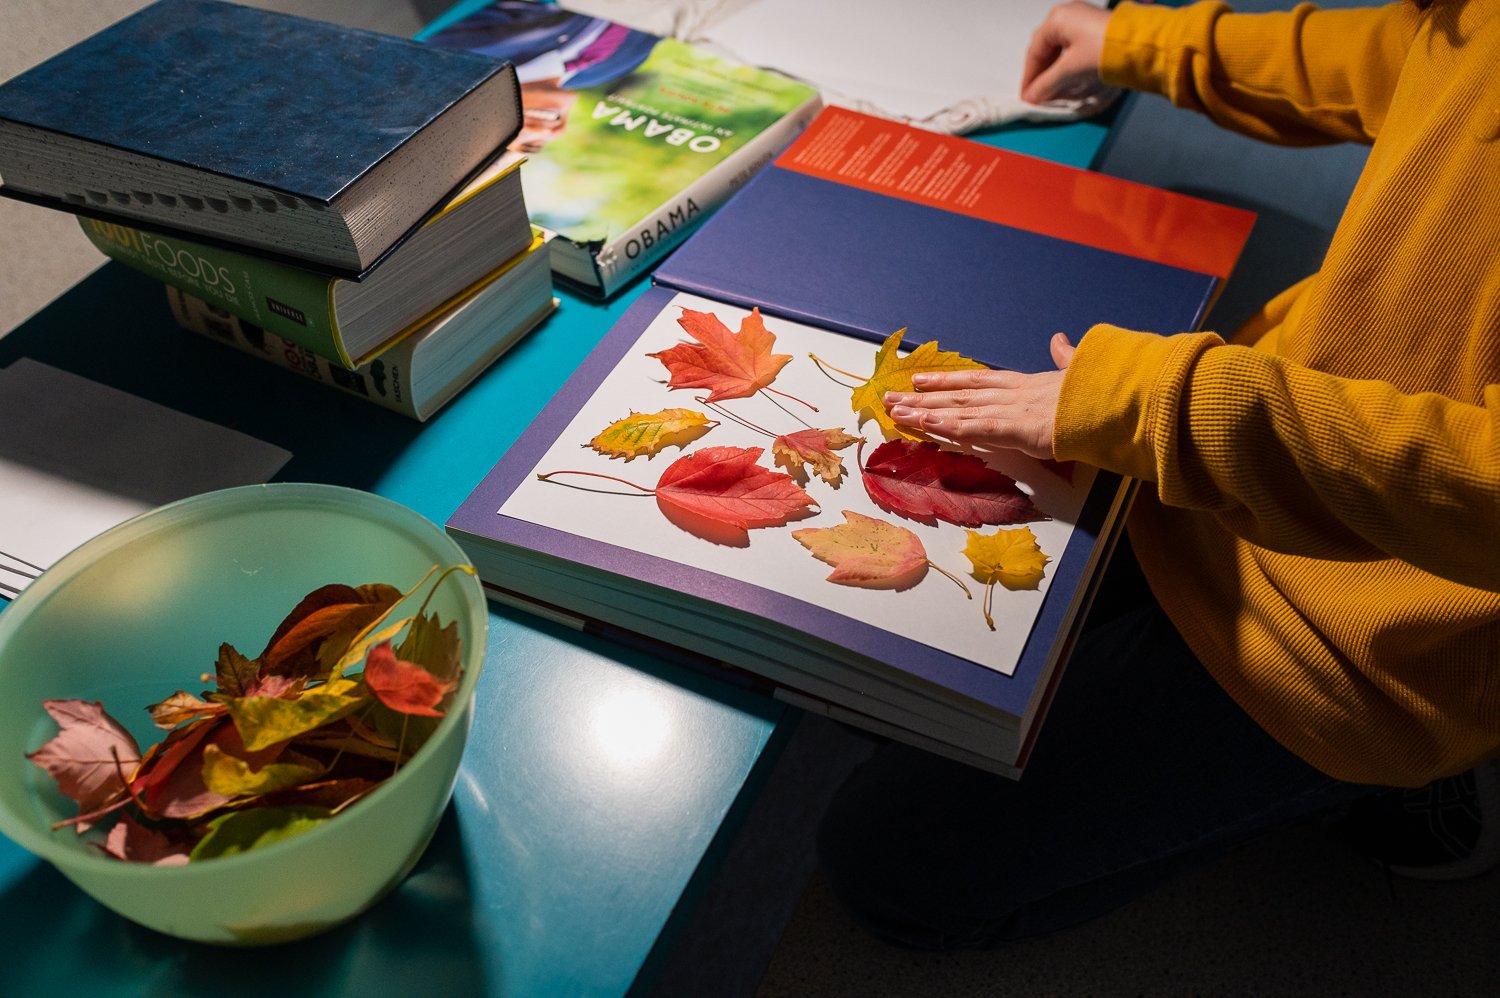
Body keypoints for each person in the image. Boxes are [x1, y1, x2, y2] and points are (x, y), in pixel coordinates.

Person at [817, 0, 1500, 948]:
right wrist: (1151, 45)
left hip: (1376, 637)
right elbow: (1415, 55)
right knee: (895, 684)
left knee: (886, 863)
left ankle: (1403, 776)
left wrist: (1158, 404)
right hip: (1247, 460)